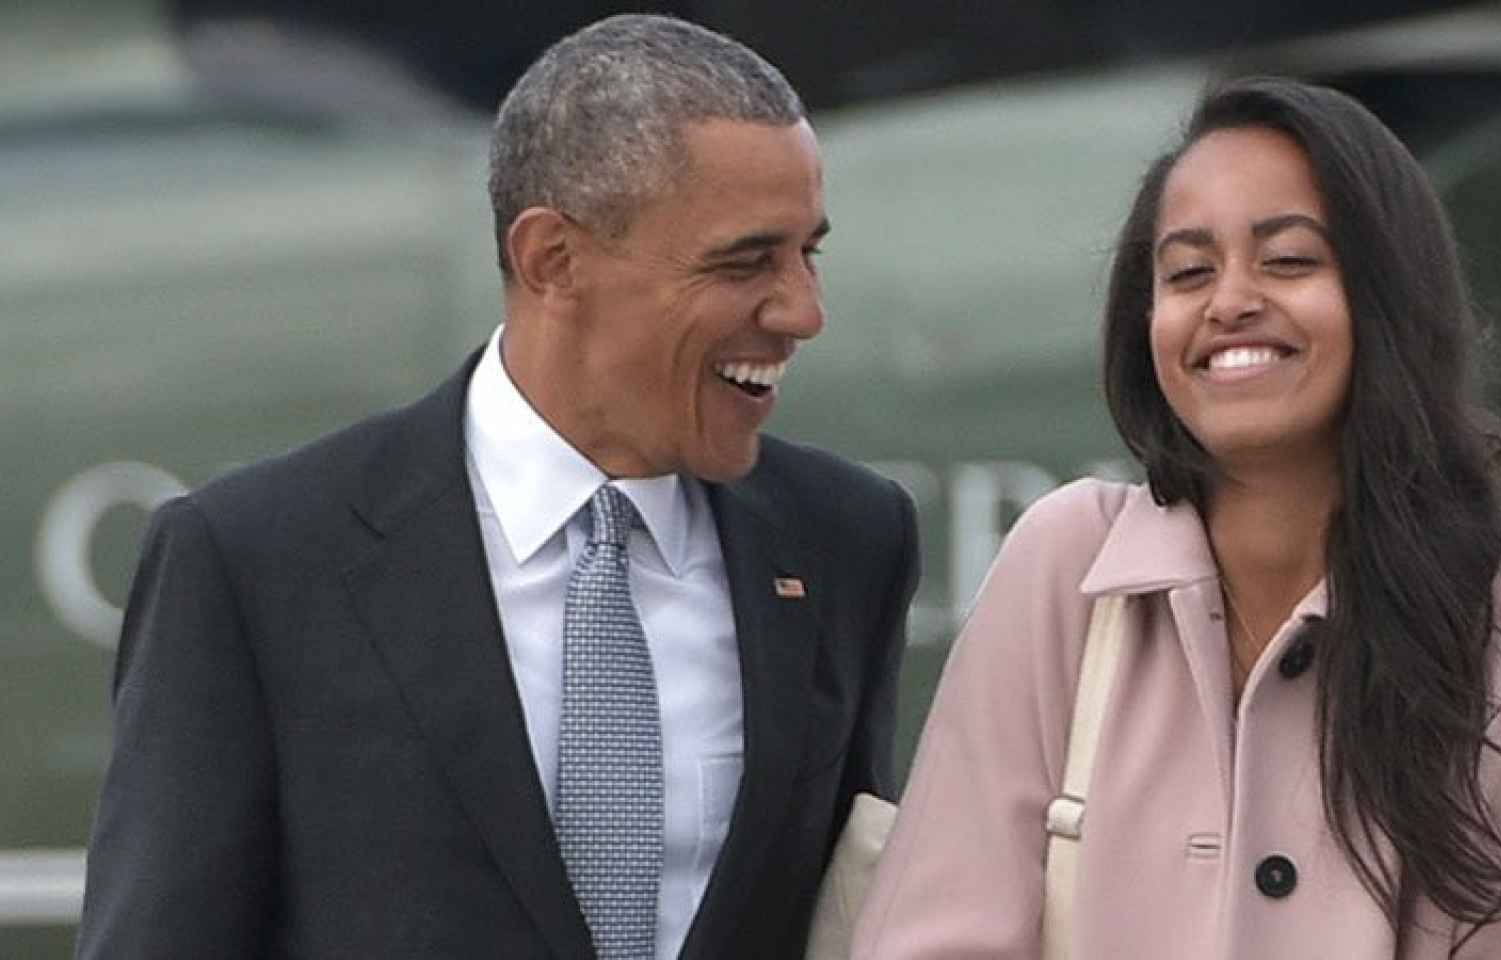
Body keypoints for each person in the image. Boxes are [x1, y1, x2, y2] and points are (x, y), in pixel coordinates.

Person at [77, 14, 919, 960]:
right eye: (745, 260)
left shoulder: (846, 537)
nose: (803, 311)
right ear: (552, 260)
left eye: (811, 251)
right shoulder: (256, 558)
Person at [853, 77, 1501, 958]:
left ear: (1388, 297)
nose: (1229, 302)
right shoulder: (1065, 558)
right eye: (1187, 272)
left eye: (1288, 260)